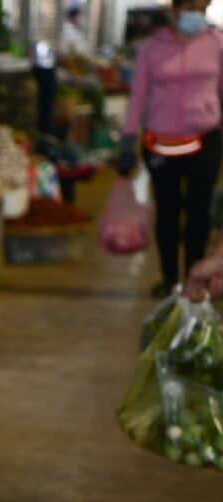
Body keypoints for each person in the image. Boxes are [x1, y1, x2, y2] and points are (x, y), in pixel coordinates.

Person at [117, 0, 223, 299]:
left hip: (205, 140)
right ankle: (169, 278)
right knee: (167, 210)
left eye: (203, 11)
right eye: (193, 9)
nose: (197, 17)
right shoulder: (152, 48)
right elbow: (137, 96)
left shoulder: (217, 43)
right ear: (175, 11)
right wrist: (127, 139)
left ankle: (194, 275)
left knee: (199, 211)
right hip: (161, 143)